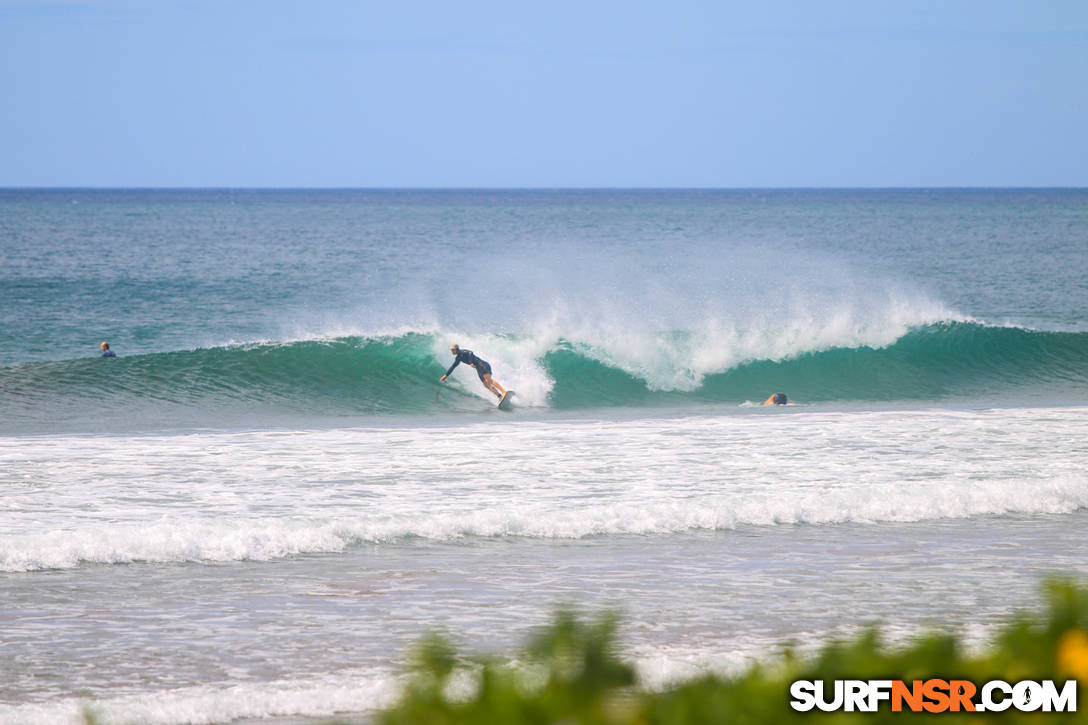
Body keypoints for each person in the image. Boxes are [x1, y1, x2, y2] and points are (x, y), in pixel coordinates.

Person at [440, 343, 506, 400]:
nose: (451, 351)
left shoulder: (463, 352)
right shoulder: (458, 358)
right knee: (486, 385)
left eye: (452, 350)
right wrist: (445, 376)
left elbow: (470, 353)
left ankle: (504, 392)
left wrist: (471, 362)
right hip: (478, 369)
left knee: (488, 380)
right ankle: (499, 396)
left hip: (482, 365)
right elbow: (453, 367)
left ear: (456, 349)